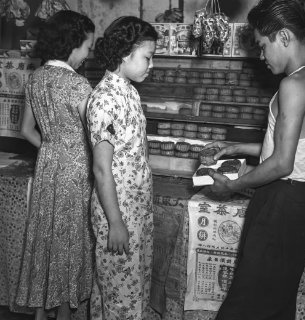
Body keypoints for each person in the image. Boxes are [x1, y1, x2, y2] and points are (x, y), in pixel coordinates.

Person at [205, 1, 305, 319]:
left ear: (285, 37)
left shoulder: (293, 85)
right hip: (303, 202)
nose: (261, 56)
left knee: (244, 306)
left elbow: (282, 164)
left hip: (282, 203)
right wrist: (239, 148)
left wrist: (232, 186)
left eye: (263, 46)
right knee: (275, 304)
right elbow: (298, 147)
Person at [16, 10, 95, 320]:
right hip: (75, 172)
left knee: (45, 238)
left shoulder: (35, 78)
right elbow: (97, 136)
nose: (88, 54)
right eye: (88, 46)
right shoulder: (77, 83)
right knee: (71, 241)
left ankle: (38, 314)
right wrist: (72, 151)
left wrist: (53, 148)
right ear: (73, 44)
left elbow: (26, 130)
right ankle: (63, 315)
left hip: (47, 167)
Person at [86, 16, 157, 320]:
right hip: (117, 212)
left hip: (136, 208)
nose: (151, 65)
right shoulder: (104, 100)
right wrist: (115, 223)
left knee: (132, 287)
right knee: (118, 293)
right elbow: (102, 170)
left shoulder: (129, 91)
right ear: (125, 53)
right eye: (148, 57)